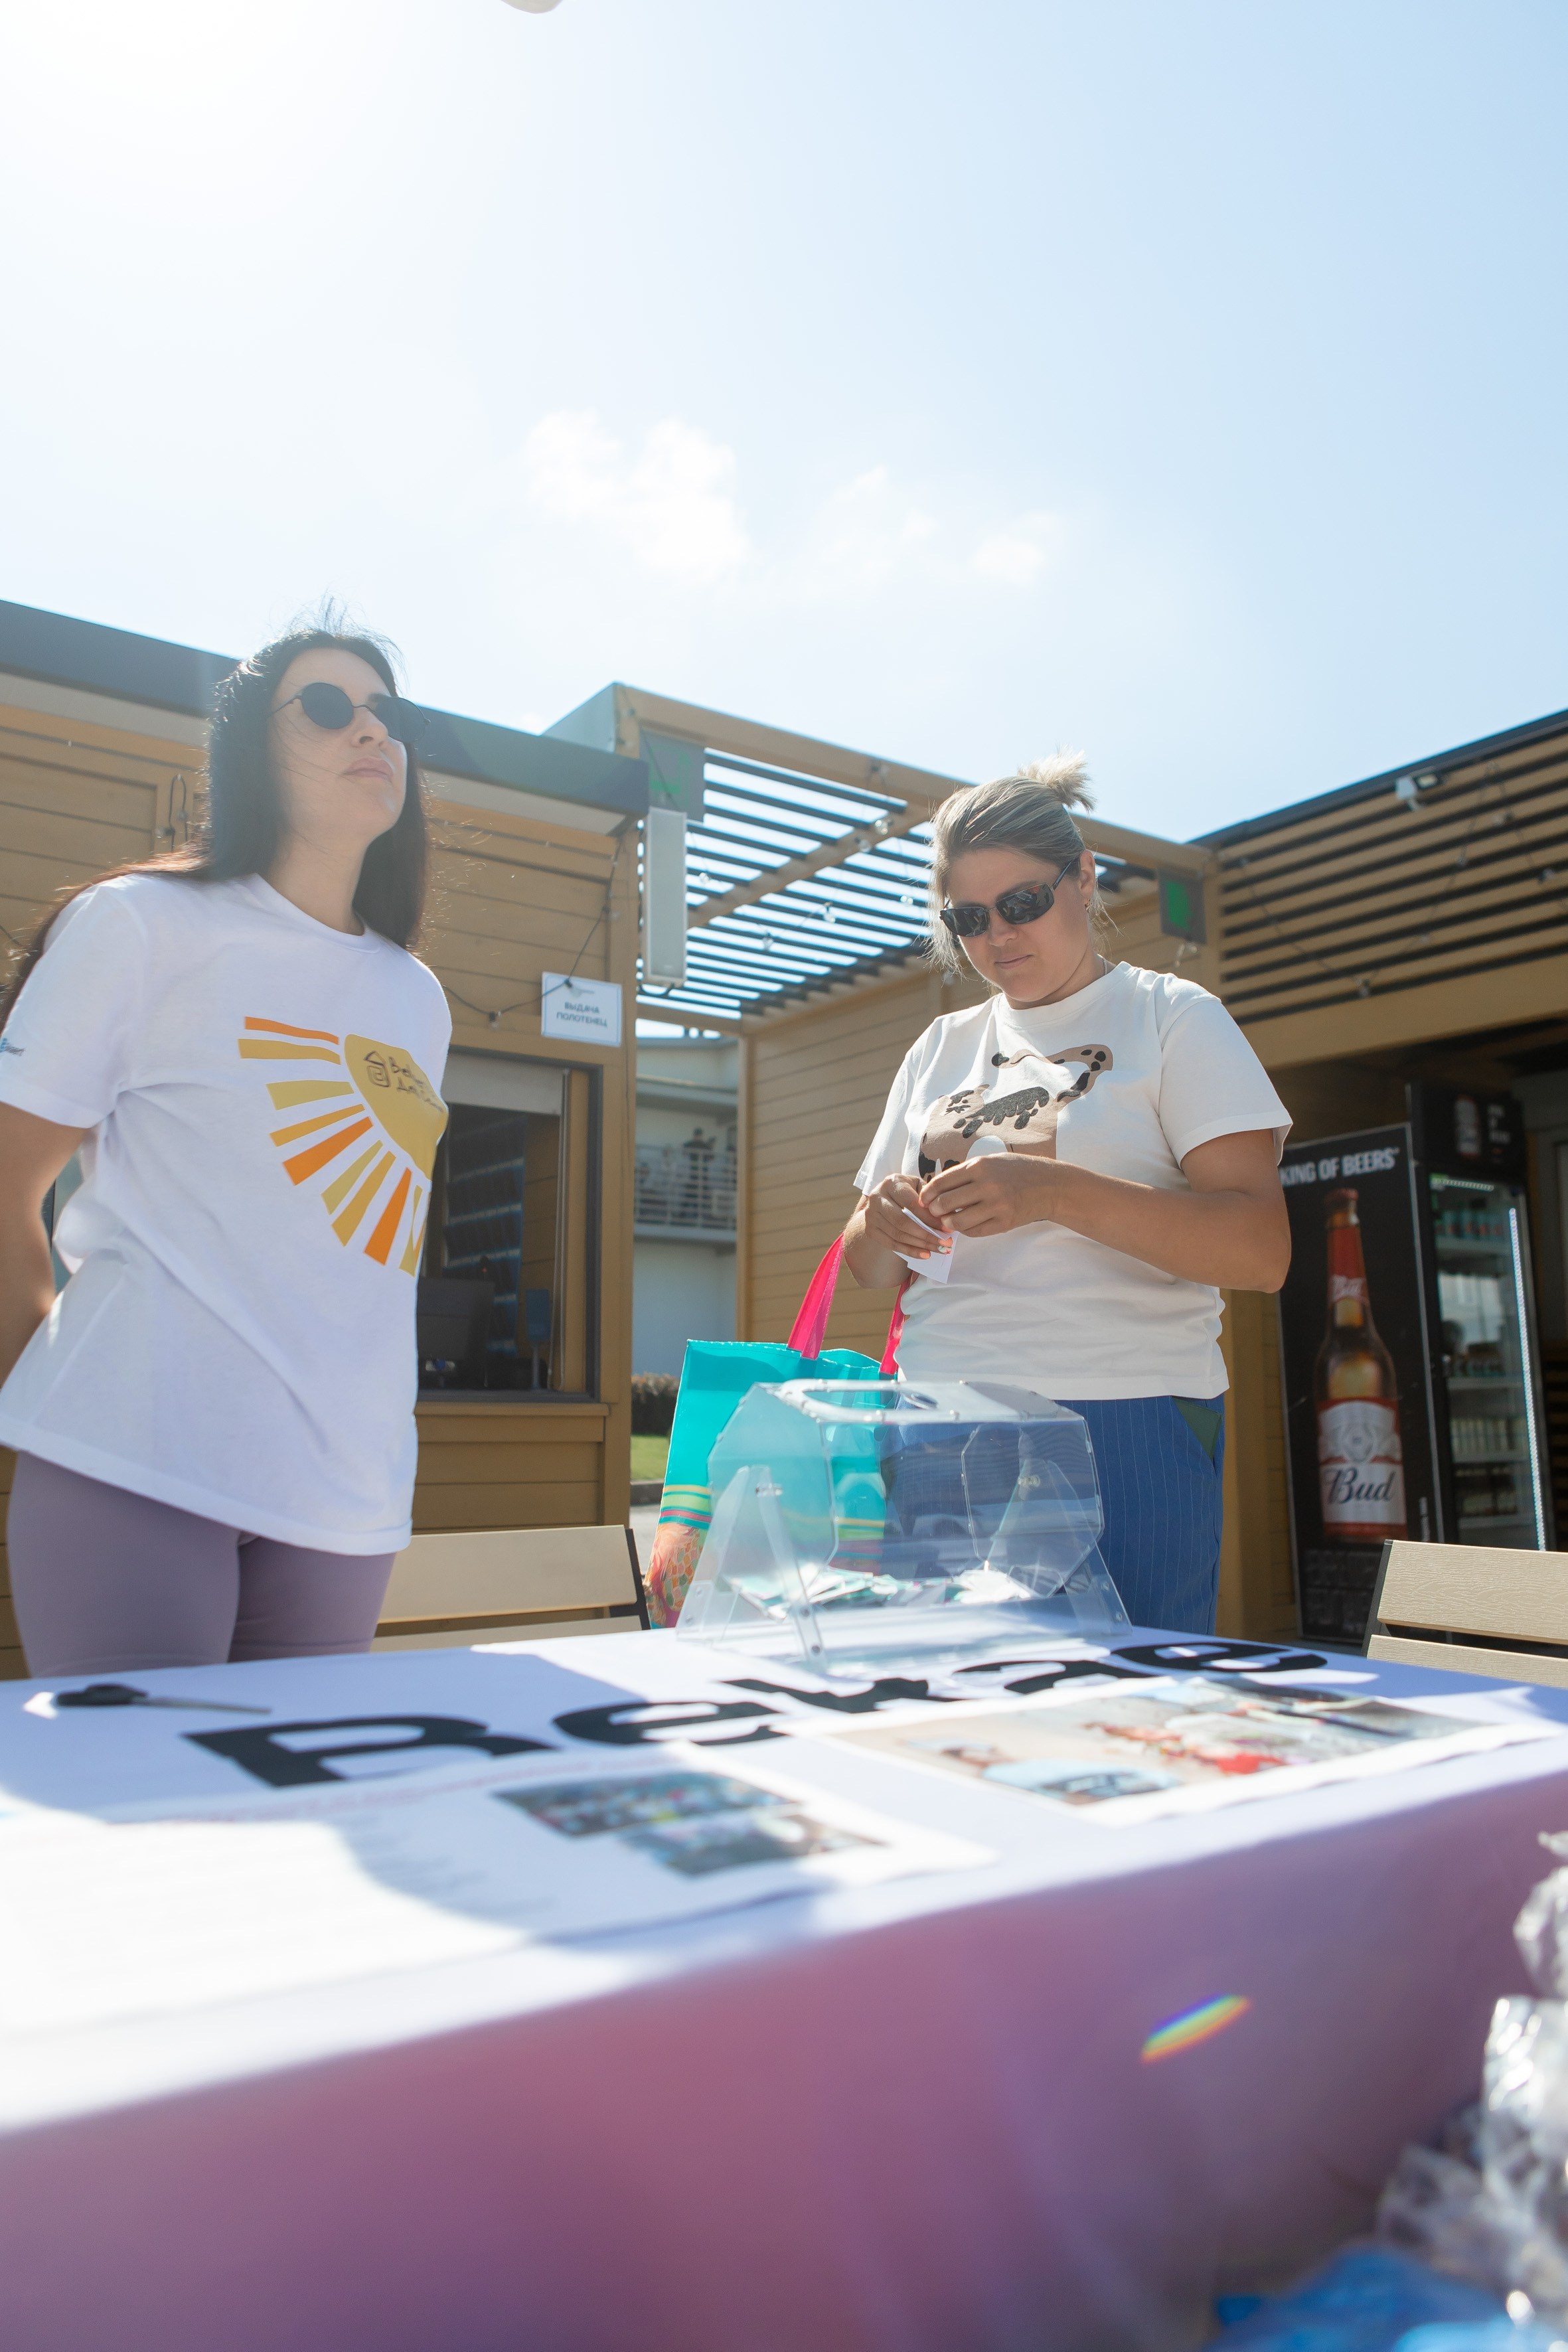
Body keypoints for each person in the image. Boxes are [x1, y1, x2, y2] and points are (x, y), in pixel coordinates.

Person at [0, 621, 451, 1676]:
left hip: (346, 1497)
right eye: (330, 707)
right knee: (150, 1834)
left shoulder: (415, 996)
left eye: (391, 714)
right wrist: (51, 1392)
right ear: (250, 747)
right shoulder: (142, 925)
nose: (371, 729)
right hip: (138, 1461)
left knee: (294, 1837)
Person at [842, 755, 1291, 1634]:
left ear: (1083, 879)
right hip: (939, 1418)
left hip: (1124, 1415)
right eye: (968, 918)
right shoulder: (939, 1045)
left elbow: (1259, 1251)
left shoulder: (1172, 1018)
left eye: (1022, 903)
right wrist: (878, 1218)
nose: (997, 937)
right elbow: (866, 1271)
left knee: (1134, 1714)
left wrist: (1052, 1193)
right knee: (948, 1705)